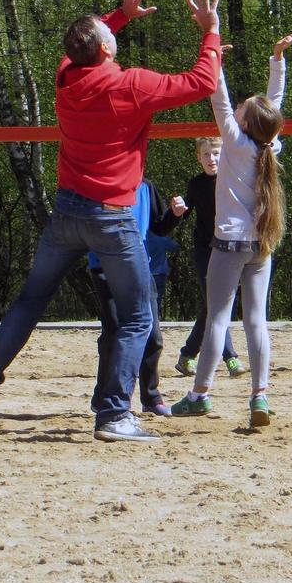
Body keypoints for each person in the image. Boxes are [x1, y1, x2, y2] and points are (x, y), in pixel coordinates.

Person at [0, 0, 222, 443]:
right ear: (104, 48)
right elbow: (201, 82)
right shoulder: (131, 84)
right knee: (139, 317)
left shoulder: (66, 77)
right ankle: (114, 415)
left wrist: (118, 16)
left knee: (29, 303)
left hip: (66, 214)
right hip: (113, 219)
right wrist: (210, 31)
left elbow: (83, 46)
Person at [172, 30, 292, 427]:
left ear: (244, 122)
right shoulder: (269, 144)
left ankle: (199, 394)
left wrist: (213, 59)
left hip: (228, 243)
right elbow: (273, 104)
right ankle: (259, 398)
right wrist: (277, 60)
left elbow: (218, 98)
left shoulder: (233, 141)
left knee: (216, 319)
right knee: (256, 322)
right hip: (261, 243)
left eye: (244, 108)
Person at [88, 179, 179, 418]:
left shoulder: (147, 187)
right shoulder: (99, 183)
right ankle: (104, 397)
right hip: (104, 265)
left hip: (141, 267)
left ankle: (151, 397)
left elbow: (159, 227)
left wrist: (176, 214)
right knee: (114, 331)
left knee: (153, 335)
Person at [169, 137, 245, 380]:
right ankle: (230, 357)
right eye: (205, 154)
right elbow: (185, 208)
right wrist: (178, 207)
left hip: (232, 250)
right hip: (205, 251)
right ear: (198, 158)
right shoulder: (196, 184)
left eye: (215, 153)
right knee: (216, 305)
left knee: (212, 306)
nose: (211, 159)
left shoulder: (236, 181)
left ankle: (187, 355)